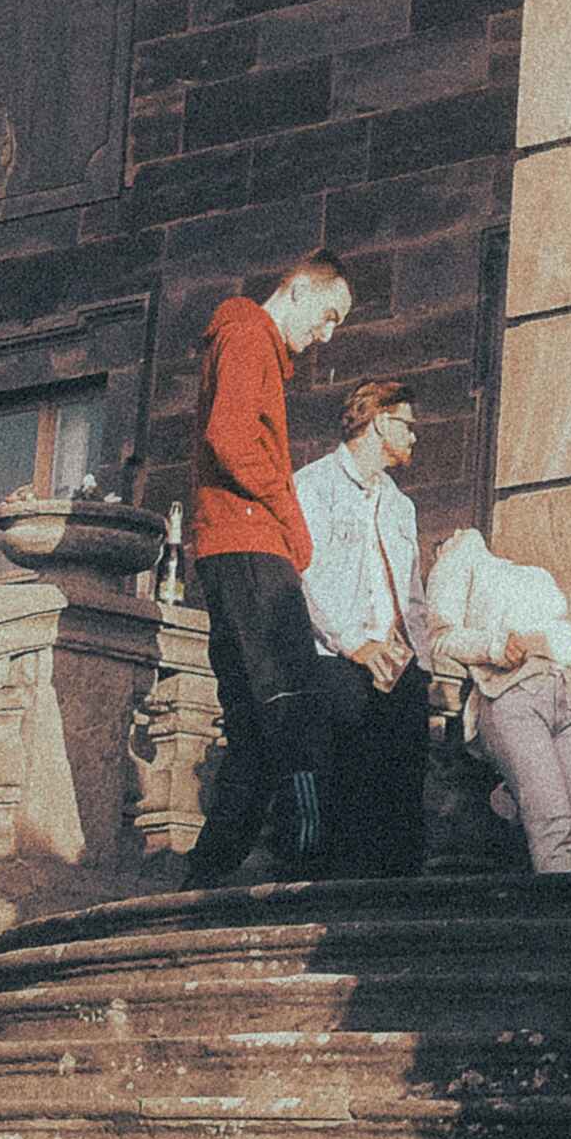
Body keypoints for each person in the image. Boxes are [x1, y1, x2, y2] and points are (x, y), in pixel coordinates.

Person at [182, 247, 351, 885]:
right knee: (295, 703)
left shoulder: (243, 339)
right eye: (329, 315)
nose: (327, 335)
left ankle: (206, 879)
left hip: (231, 548)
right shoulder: (250, 333)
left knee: (254, 725)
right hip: (250, 544)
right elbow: (228, 438)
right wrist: (289, 517)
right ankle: (306, 860)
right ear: (300, 291)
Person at [297, 375, 439, 877]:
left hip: (398, 666)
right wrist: (354, 644)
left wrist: (422, 662)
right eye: (407, 425)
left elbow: (412, 593)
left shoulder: (401, 504)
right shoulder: (313, 485)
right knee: (347, 787)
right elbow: (306, 576)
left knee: (403, 793)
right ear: (379, 422)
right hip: (338, 660)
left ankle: (395, 894)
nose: (414, 435)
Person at [423, 515, 571, 873]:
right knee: (553, 822)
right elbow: (439, 637)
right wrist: (495, 646)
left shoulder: (528, 573)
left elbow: (551, 630)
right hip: (513, 695)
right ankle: (565, 909)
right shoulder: (457, 554)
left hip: (569, 692)